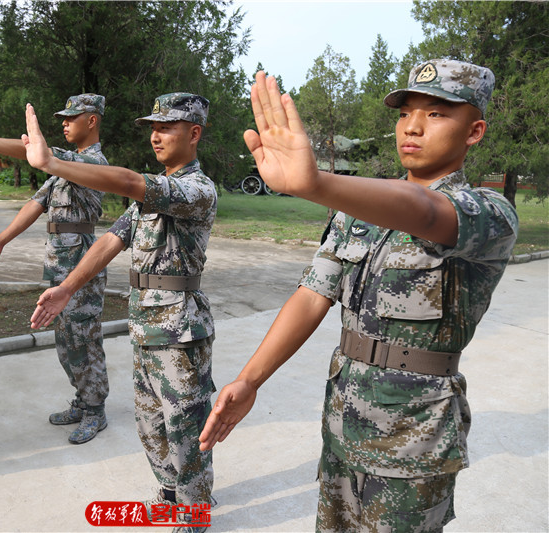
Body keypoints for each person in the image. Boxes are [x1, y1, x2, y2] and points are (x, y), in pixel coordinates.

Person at [199, 61, 518, 531]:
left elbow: (429, 213)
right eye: (406, 112)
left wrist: (317, 184)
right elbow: (312, 295)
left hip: (413, 442)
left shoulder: (489, 214)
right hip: (343, 426)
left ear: (474, 131)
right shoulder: (357, 213)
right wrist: (250, 380)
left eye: (436, 114)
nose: (411, 125)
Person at [26, 93, 217, 533]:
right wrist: (67, 287)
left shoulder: (195, 189)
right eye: (153, 126)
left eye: (166, 127)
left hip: (180, 330)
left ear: (194, 133)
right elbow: (111, 240)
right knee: (151, 424)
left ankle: (195, 515)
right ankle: (171, 499)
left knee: (185, 428)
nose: (155, 135)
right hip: (146, 325)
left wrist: (52, 163)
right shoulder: (147, 199)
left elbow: (131, 182)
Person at [0, 94, 111, 444]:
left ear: (92, 121)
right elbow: (35, 204)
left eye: (73, 117)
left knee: (84, 340)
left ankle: (95, 410)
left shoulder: (91, 162)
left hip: (81, 266)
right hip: (58, 266)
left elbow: (34, 152)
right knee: (66, 340)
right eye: (62, 117)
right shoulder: (62, 169)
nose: (64, 123)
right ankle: (82, 399)